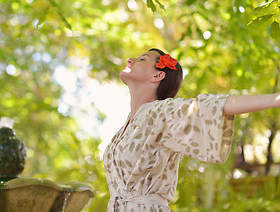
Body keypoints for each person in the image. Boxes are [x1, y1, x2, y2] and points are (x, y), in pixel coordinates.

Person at [103, 48, 280, 212]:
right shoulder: (125, 126)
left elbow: (213, 106)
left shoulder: (162, 112)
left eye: (142, 59)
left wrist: (276, 99)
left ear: (158, 75)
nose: (130, 60)